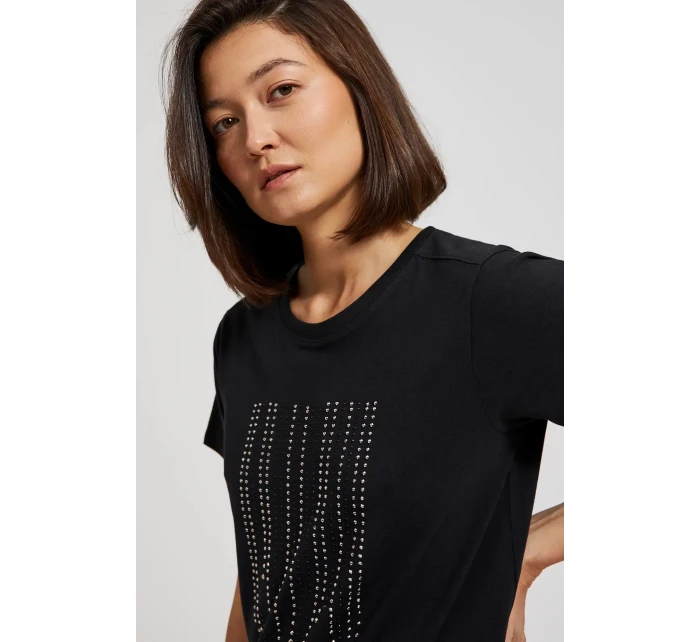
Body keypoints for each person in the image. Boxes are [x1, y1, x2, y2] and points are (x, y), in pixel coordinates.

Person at [159, 1, 564, 641]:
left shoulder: (489, 301)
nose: (255, 138)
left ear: (358, 85)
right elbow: (263, 566)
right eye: (224, 122)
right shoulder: (243, 337)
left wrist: (530, 552)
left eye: (281, 90)